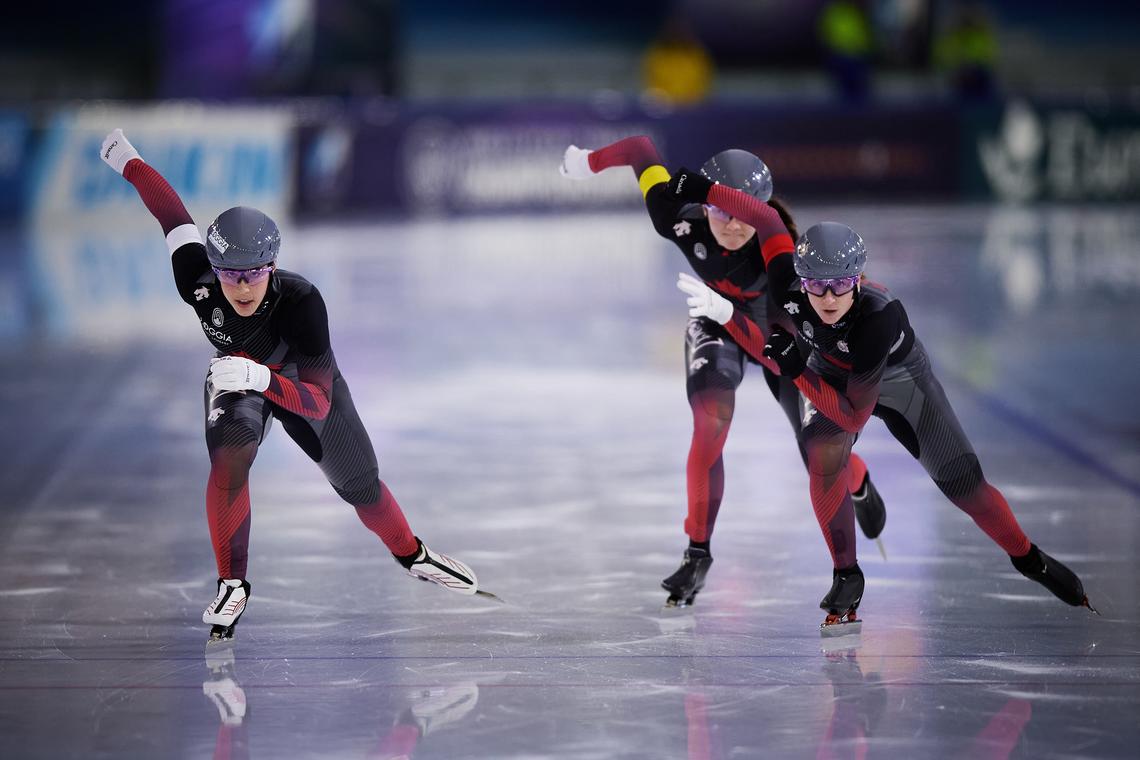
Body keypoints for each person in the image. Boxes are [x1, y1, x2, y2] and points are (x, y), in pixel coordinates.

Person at [660, 164, 1096, 628]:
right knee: (822, 456)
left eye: (842, 284)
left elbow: (851, 417)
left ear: (859, 279)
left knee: (965, 489)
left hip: (899, 380)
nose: (828, 298)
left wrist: (796, 371)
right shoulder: (789, 289)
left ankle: (1028, 558)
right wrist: (708, 194)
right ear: (799, 278)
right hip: (831, 372)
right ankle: (847, 575)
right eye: (816, 285)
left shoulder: (877, 318)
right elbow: (767, 220)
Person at [100, 129, 482, 643]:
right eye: (228, 274)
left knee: (362, 487)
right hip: (239, 378)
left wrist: (262, 376)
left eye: (252, 273)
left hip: (301, 383)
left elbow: (320, 402)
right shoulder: (196, 279)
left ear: (272, 267)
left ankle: (411, 553)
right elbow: (172, 215)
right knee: (228, 459)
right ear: (212, 269)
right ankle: (232, 583)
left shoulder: (302, 303)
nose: (239, 286)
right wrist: (130, 161)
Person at [560, 136, 886, 607]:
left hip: (781, 338)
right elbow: (640, 149)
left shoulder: (787, 251)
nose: (733, 225)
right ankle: (697, 552)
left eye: (744, 213)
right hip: (718, 321)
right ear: (704, 204)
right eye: (721, 213)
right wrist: (587, 163)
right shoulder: (675, 215)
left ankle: (857, 481)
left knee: (816, 446)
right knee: (710, 422)